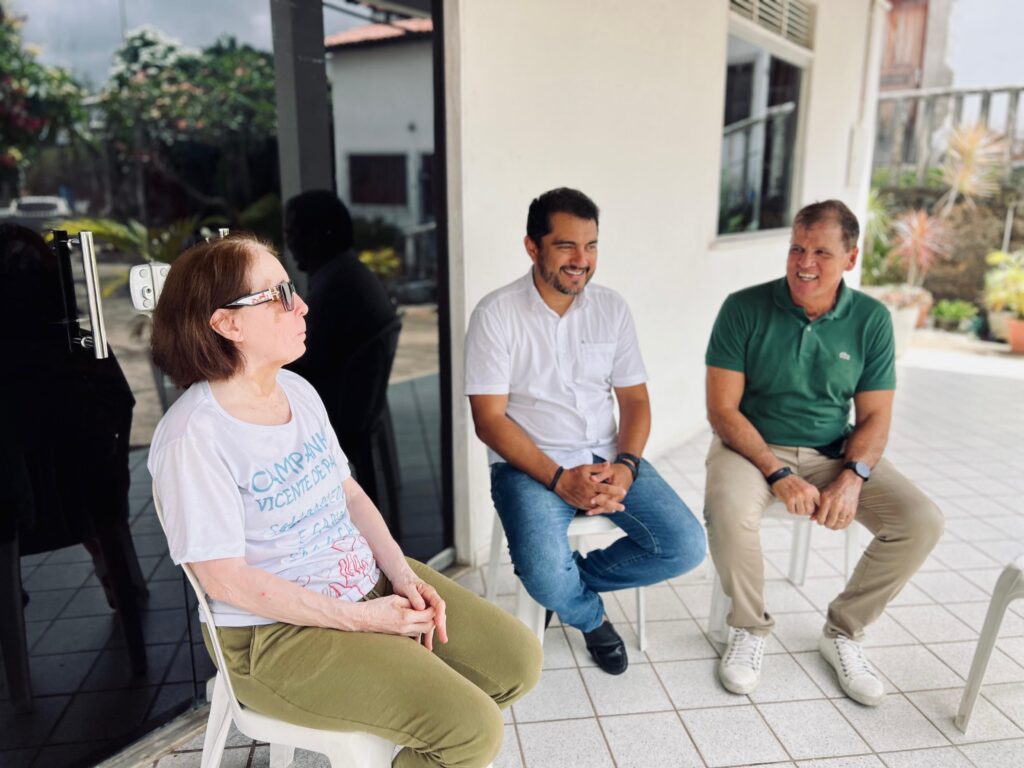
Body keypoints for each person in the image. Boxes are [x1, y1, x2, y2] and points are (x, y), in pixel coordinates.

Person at [147, 234, 541, 768]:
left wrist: (402, 575)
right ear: (227, 324)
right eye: (279, 295)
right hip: (272, 638)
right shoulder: (193, 436)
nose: (302, 306)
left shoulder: (298, 391)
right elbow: (224, 580)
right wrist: (363, 620)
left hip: (360, 581)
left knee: (516, 663)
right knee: (471, 731)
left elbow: (349, 493)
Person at [704, 199, 944, 706]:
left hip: (834, 450)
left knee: (921, 521)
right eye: (797, 249)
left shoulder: (871, 319)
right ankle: (748, 626)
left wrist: (852, 477)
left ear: (851, 258)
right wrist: (776, 473)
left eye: (821, 253)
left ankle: (843, 632)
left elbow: (875, 417)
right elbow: (722, 410)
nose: (804, 263)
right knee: (727, 509)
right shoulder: (742, 307)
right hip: (750, 449)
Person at [465, 187, 706, 675]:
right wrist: (559, 479)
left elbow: (634, 401)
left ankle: (563, 587)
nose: (582, 259)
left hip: (607, 457)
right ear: (532, 247)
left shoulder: (611, 308)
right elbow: (488, 421)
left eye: (591, 245)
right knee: (544, 571)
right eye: (566, 246)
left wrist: (627, 466)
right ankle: (591, 619)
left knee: (686, 546)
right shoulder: (495, 314)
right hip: (529, 466)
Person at [283, 189, 399, 416]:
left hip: (334, 414)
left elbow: (302, 360)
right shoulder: (348, 273)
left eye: (292, 233)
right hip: (349, 410)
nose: (289, 244)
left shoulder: (335, 288)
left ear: (317, 236)